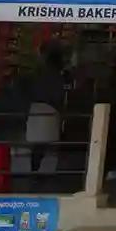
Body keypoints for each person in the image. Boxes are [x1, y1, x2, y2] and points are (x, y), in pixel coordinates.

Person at [25, 47, 66, 178]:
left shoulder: (38, 73)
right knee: (46, 144)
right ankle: (41, 171)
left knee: (37, 144)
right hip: (50, 109)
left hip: (35, 108)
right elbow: (58, 95)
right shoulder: (57, 76)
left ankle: (35, 169)